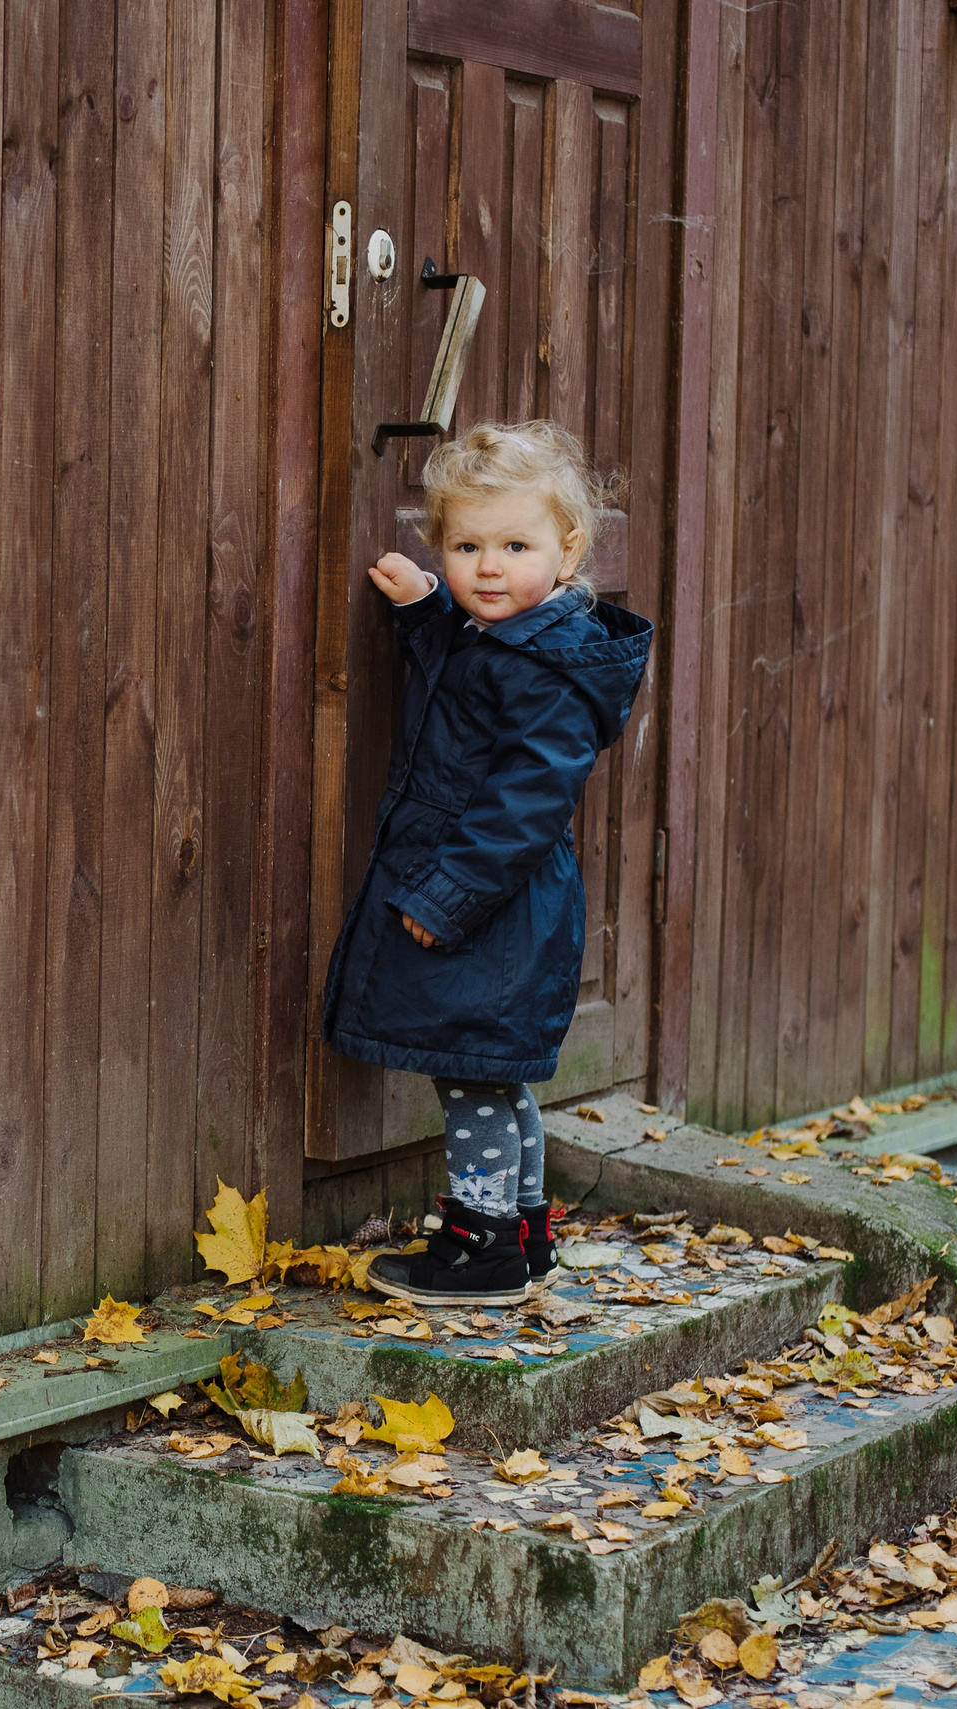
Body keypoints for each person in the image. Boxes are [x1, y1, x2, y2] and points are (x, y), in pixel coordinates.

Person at [320, 421, 652, 1305]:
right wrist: (427, 608)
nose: (490, 567)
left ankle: (481, 1244)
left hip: (493, 905)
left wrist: (448, 894)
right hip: (501, 903)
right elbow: (465, 683)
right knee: (497, 1074)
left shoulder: (551, 670)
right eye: (467, 547)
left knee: (471, 1075)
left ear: (567, 551)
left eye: (515, 546)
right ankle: (525, 1230)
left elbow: (524, 803)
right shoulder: (505, 635)